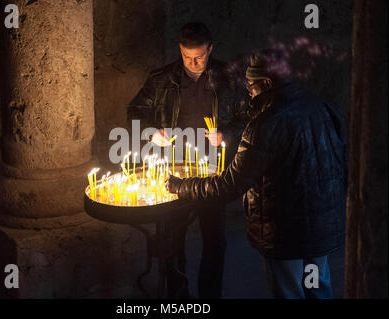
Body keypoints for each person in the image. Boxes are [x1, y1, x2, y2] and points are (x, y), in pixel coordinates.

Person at [166, 49, 348, 299]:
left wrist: (181, 186)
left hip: (285, 234)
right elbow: (343, 166)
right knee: (318, 288)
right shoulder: (325, 108)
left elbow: (230, 186)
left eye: (251, 85)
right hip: (322, 225)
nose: (248, 91)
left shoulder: (266, 125)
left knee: (290, 292)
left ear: (267, 83)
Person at [127, 22, 246, 298]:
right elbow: (135, 110)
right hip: (175, 172)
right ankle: (178, 297)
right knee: (172, 239)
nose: (193, 63)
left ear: (211, 49)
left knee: (214, 240)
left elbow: (254, 118)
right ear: (179, 51)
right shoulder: (161, 80)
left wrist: (227, 133)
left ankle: (209, 297)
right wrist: (150, 132)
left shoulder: (230, 79)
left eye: (200, 57)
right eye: (186, 57)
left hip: (212, 173)